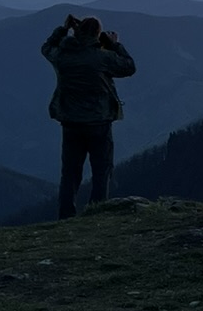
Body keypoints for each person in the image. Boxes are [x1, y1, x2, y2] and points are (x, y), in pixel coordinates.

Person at [41, 13, 137, 219]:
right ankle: (96, 216)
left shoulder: (62, 56)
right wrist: (113, 44)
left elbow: (46, 48)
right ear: (97, 34)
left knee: (70, 173)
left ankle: (66, 216)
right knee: (101, 171)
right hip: (99, 123)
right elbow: (129, 66)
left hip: (70, 123)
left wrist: (62, 29)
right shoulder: (103, 58)